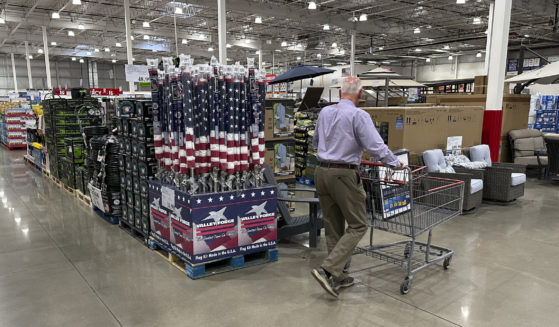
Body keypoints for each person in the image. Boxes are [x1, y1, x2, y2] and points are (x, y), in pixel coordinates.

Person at [311, 76, 406, 298]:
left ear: (340, 92)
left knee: (333, 224)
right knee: (358, 225)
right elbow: (375, 146)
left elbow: (315, 142)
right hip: (344, 174)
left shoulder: (324, 113)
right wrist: (396, 163)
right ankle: (328, 269)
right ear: (360, 94)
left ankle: (339, 277)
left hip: (321, 171)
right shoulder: (359, 115)